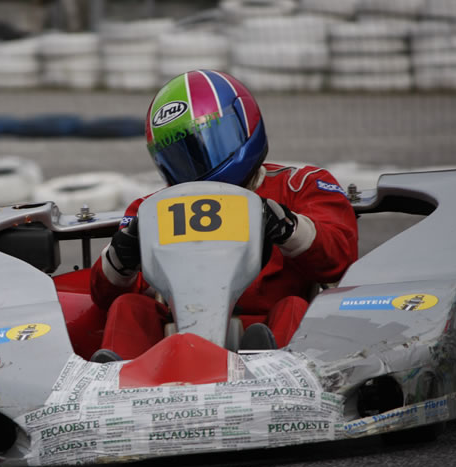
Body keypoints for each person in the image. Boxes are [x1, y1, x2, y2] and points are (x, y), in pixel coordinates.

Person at [89, 70, 358, 361]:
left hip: (270, 334)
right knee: (128, 306)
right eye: (183, 155)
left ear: (244, 123)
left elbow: (341, 260)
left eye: (210, 141)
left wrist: (287, 228)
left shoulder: (300, 185)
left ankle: (279, 376)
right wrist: (121, 258)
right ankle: (113, 387)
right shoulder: (150, 209)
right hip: (176, 344)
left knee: (293, 305)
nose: (199, 163)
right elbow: (104, 297)